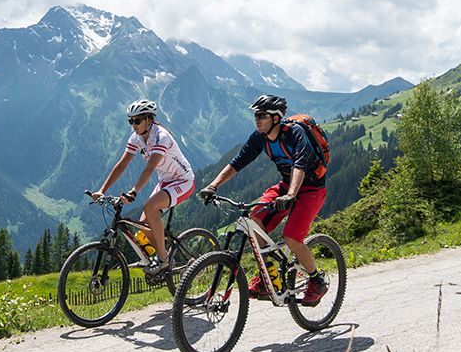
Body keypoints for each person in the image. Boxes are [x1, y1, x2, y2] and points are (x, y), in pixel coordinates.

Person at [198, 94, 328, 306]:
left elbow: (300, 165)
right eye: (256, 115)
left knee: (292, 237)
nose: (257, 119)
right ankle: (268, 277)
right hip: (286, 185)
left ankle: (316, 280)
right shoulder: (260, 137)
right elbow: (238, 162)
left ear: (276, 118)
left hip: (311, 189)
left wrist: (291, 195)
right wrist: (213, 185)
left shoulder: (295, 134)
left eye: (262, 116)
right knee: (254, 222)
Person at [91, 99, 196, 275]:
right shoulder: (137, 138)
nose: (133, 125)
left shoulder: (161, 137)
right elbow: (122, 165)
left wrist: (134, 191)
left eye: (137, 120)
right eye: (130, 121)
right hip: (166, 181)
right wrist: (102, 190)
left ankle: (163, 259)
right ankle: (166, 259)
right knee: (144, 226)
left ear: (149, 119)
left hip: (183, 180)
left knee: (150, 207)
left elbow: (149, 168)